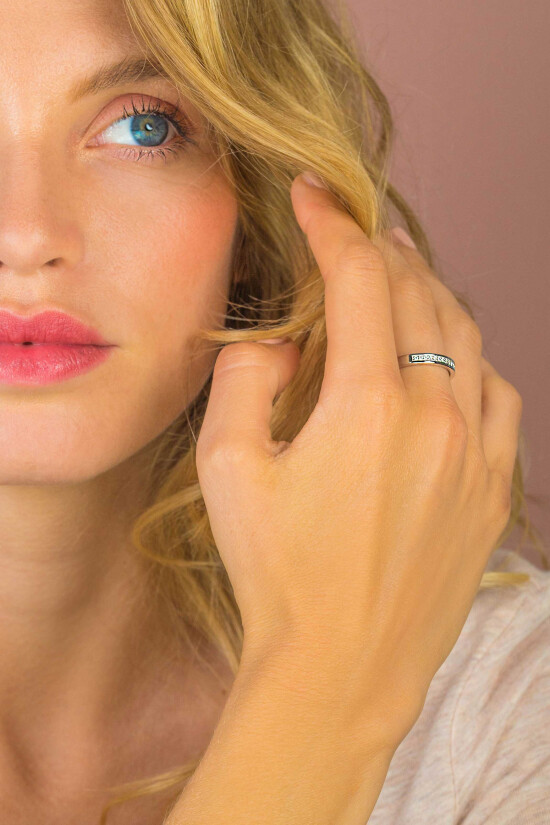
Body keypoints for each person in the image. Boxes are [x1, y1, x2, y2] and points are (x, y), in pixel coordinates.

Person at [0, 1, 547, 824]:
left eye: (144, 127)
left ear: (256, 211)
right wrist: (326, 690)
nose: (25, 234)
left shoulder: (502, 708)